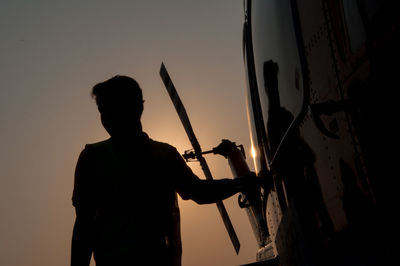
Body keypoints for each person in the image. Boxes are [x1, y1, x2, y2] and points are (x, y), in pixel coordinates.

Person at [71, 75, 259, 266]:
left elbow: (198, 191)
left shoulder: (164, 155)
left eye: (112, 109)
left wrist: (239, 183)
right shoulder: (93, 158)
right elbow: (83, 227)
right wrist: (240, 183)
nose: (106, 118)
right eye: (103, 111)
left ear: (137, 108)